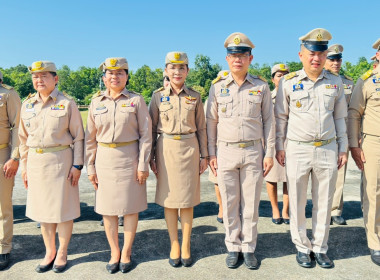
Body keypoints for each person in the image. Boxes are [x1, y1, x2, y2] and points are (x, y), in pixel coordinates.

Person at [275, 28, 348, 269]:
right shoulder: (288, 82)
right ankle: (302, 247)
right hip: (297, 149)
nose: (316, 58)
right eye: (311, 54)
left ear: (326, 55)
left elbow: (340, 119)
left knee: (324, 202)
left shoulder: (335, 82)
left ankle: (320, 247)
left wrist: (343, 147)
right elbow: (280, 119)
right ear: (301, 55)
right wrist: (280, 147)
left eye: (321, 53)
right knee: (296, 201)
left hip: (328, 148)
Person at [207, 32, 275, 270]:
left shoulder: (261, 86)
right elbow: (210, 123)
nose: (238, 59)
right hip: (225, 151)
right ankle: (232, 246)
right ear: (227, 59)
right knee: (229, 202)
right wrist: (211, 154)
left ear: (250, 58)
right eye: (233, 55)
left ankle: (248, 247)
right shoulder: (217, 88)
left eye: (243, 55)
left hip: (253, 151)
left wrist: (269, 153)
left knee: (251, 203)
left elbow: (270, 121)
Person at [85, 57, 151, 274]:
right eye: (110, 73)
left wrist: (143, 164)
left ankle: (127, 251)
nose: (115, 77)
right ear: (104, 78)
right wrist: (91, 166)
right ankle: (114, 251)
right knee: (107, 210)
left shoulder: (136, 101)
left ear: (127, 77)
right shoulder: (96, 102)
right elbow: (90, 139)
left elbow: (146, 135)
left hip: (129, 158)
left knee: (130, 208)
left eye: (120, 73)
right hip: (104, 159)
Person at [19, 61, 84, 273]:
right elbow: (22, 139)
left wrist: (77, 165)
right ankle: (50, 251)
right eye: (35, 76)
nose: (39, 80)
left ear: (55, 79)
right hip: (36, 163)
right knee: (44, 212)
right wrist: (25, 166)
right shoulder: (27, 104)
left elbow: (79, 137)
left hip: (61, 162)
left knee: (63, 211)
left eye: (44, 76)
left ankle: (63, 253)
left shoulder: (67, 103)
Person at [149, 52, 208, 267]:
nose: (177, 72)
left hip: (190, 149)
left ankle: (186, 245)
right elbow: (151, 130)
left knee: (188, 200)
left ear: (187, 71)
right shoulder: (157, 97)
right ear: (166, 71)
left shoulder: (195, 96)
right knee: (170, 199)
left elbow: (202, 127)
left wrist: (204, 155)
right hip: (166, 150)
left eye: (181, 68)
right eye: (173, 68)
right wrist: (151, 157)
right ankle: (174, 243)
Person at [348, 38, 380, 266]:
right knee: (374, 191)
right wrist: (354, 146)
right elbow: (353, 114)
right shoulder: (367, 81)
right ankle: (375, 241)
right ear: (378, 55)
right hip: (375, 143)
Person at [324, 44, 354, 226]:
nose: (336, 62)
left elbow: (353, 112)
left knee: (340, 173)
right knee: (322, 174)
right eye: (332, 59)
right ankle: (321, 208)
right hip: (323, 134)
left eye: (338, 59)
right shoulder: (321, 80)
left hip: (342, 134)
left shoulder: (348, 83)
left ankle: (335, 209)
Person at [0, 70, 21, 270]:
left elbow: (18, 127)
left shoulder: (8, 94)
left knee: (2, 205)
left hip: (2, 155)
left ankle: (3, 248)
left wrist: (15, 157)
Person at [265, 64, 290, 225]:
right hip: (272, 141)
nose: (282, 78)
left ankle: (286, 211)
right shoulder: (268, 96)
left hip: (290, 140)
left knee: (289, 178)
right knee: (272, 178)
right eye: (279, 75)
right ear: (273, 79)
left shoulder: (294, 93)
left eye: (285, 75)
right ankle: (275, 209)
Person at [206, 70, 229, 224]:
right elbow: (207, 123)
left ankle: (234, 208)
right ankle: (222, 207)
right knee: (217, 180)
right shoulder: (212, 97)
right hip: (217, 144)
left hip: (232, 144)